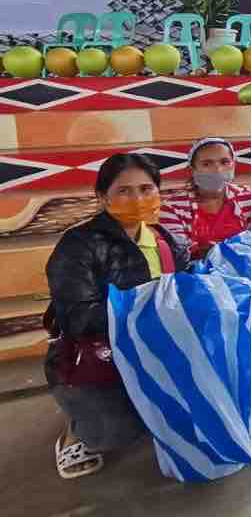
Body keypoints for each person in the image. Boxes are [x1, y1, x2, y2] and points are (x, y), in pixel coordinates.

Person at [45, 153, 190, 479]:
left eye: (146, 188)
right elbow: (78, 318)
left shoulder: (167, 239)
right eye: (124, 191)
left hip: (157, 342)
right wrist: (144, 315)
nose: (137, 199)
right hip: (102, 350)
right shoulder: (79, 244)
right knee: (113, 432)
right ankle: (76, 432)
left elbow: (184, 291)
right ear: (102, 196)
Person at [159, 137, 251, 260]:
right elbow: (179, 254)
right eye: (207, 164)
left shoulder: (250, 199)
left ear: (233, 165)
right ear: (193, 169)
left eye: (225, 162)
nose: (218, 170)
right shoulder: (172, 208)